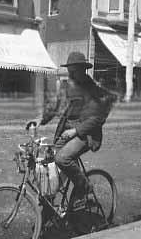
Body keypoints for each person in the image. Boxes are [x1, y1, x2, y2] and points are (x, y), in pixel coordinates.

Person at [33, 52, 116, 203]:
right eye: (69, 71)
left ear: (83, 70)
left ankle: (85, 187)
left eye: (74, 71)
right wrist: (40, 119)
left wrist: (75, 131)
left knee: (62, 158)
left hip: (85, 135)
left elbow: (97, 118)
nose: (70, 74)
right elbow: (55, 106)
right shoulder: (68, 86)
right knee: (49, 165)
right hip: (66, 133)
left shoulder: (93, 90)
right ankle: (51, 206)